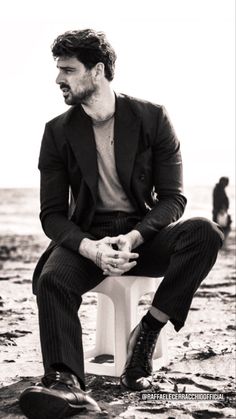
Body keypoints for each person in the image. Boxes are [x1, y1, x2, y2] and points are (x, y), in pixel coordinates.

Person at [19, 29, 224, 419]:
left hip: (142, 235)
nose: (58, 79)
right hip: (87, 237)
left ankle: (148, 331)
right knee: (53, 279)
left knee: (205, 233)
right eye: (59, 69)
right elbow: (52, 214)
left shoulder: (152, 117)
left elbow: (173, 198)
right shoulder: (57, 131)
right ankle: (65, 382)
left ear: (97, 72)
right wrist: (92, 248)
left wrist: (134, 236)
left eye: (68, 69)